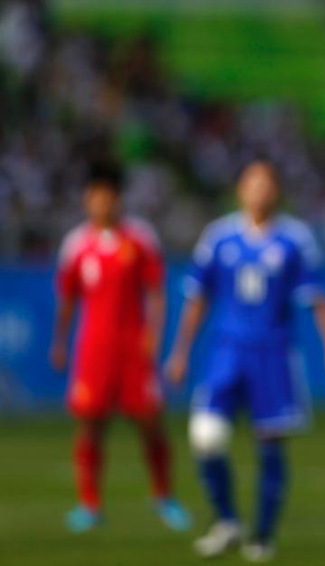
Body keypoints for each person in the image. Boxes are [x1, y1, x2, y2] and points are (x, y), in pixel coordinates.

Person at [165, 159, 325, 562]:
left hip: (273, 354)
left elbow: (318, 299)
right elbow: (198, 298)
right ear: (240, 189)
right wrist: (180, 352)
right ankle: (228, 521)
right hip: (227, 352)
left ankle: (262, 535)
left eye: (266, 183)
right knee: (206, 437)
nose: (259, 190)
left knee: (270, 446)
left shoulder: (295, 239)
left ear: (277, 190)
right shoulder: (218, 237)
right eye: (252, 182)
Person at [50, 160, 190, 533]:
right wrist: (60, 342)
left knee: (150, 423)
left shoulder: (140, 238)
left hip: (133, 349)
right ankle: (89, 505)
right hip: (93, 349)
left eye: (108, 196)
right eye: (95, 196)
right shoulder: (76, 245)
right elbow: (67, 300)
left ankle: (164, 498)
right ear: (87, 199)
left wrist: (154, 335)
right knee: (90, 425)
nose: (101, 203)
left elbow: (156, 292)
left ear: (118, 199)